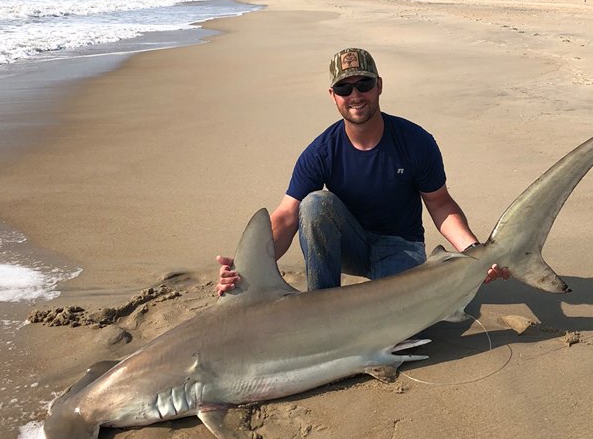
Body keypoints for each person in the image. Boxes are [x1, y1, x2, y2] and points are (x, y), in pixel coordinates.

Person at [217, 47, 509, 295]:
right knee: (315, 204)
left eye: (364, 85)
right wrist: (247, 268)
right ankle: (322, 306)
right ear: (333, 95)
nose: (355, 95)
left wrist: (473, 250)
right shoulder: (322, 151)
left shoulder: (416, 142)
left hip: (401, 247)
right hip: (350, 246)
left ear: (379, 85)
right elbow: (286, 215)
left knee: (399, 330)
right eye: (345, 88)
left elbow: (440, 203)